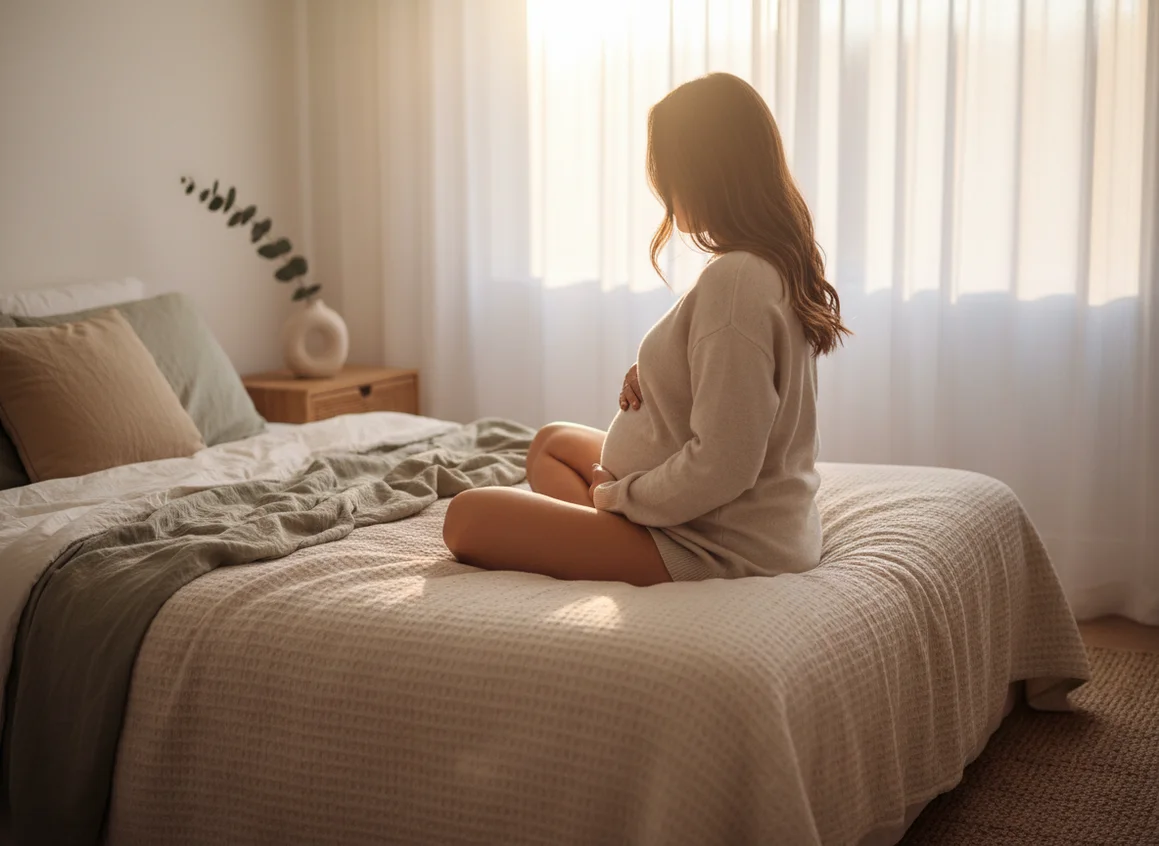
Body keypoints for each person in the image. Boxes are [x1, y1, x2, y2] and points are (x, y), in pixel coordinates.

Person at [442, 72, 849, 586]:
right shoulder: (771, 267)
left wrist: (617, 496)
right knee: (550, 443)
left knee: (466, 517)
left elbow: (725, 464)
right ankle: (600, 535)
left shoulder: (736, 280)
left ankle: (608, 534)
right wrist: (661, 374)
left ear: (700, 170)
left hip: (714, 542)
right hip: (726, 520)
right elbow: (744, 387)